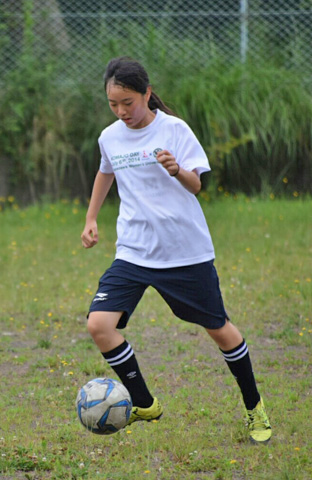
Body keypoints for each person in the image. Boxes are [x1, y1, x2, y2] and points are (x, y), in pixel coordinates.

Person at [80, 57, 271, 443]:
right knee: (99, 325)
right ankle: (145, 403)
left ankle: (254, 408)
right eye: (113, 104)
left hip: (185, 253)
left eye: (128, 103)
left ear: (147, 94)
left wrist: (176, 169)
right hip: (133, 251)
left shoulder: (175, 130)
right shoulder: (110, 136)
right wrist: (91, 218)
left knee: (221, 332)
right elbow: (106, 170)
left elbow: (196, 185)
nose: (121, 112)